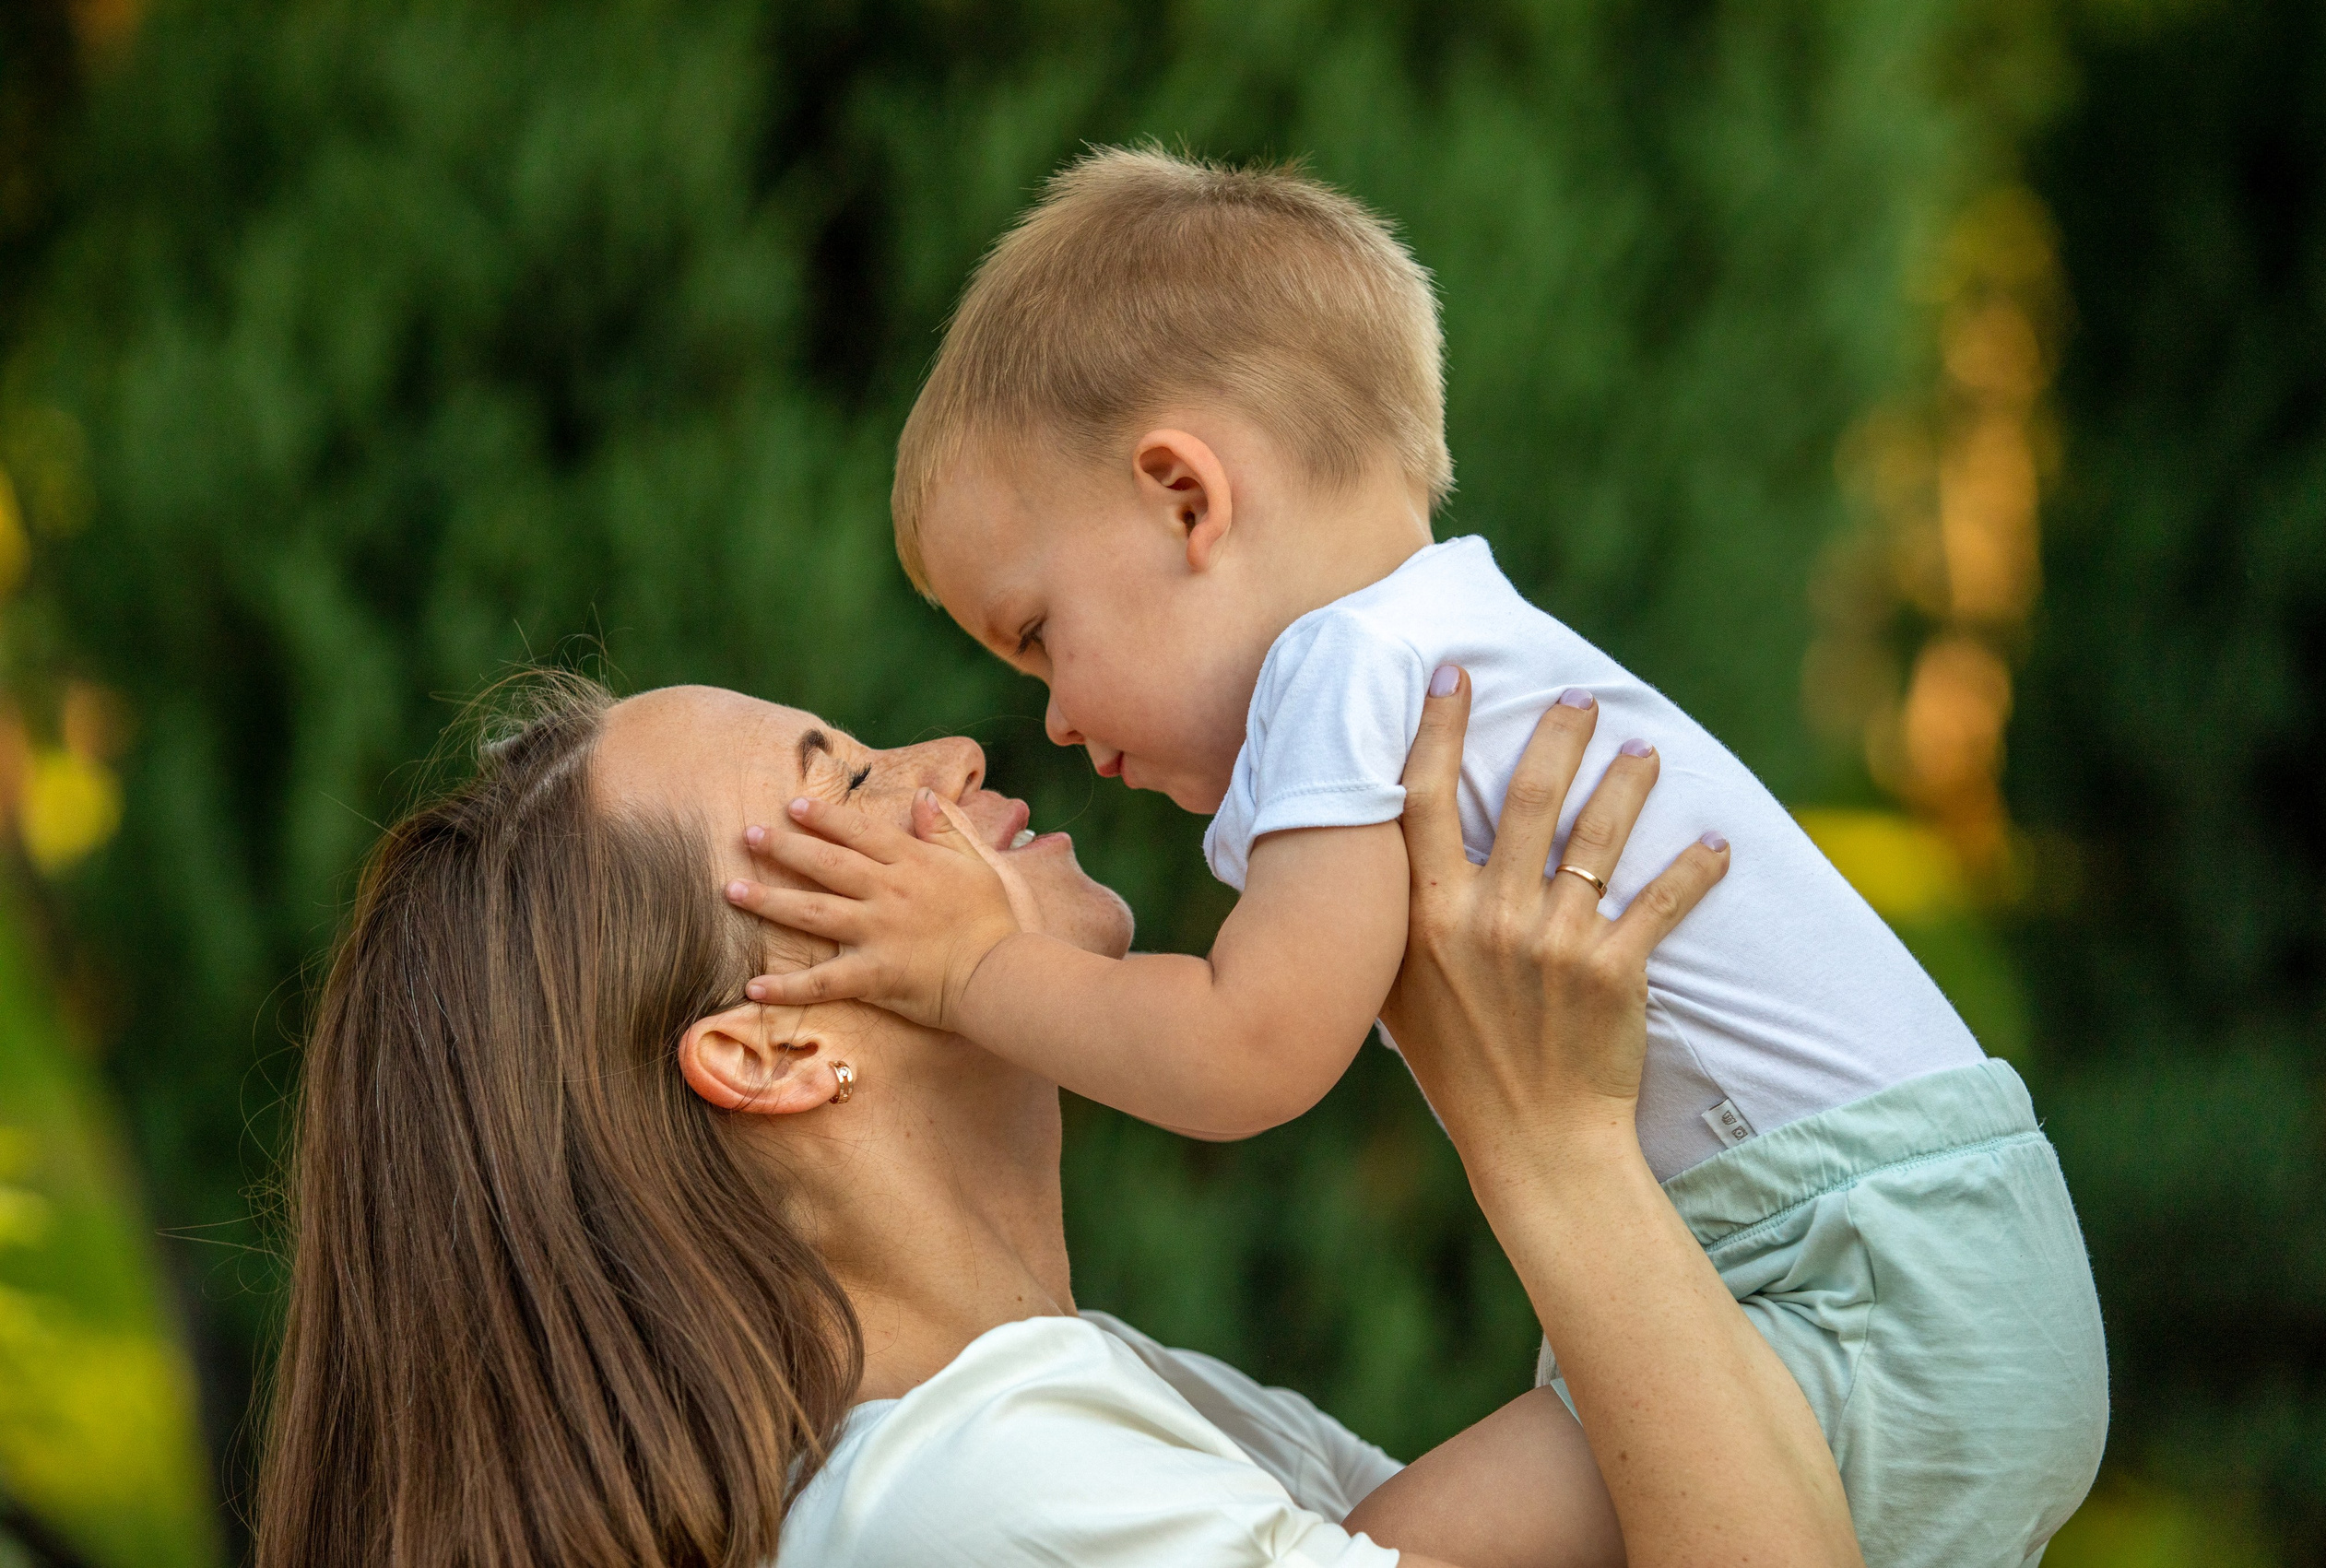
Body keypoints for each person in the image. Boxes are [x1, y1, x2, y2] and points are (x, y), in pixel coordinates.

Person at [736, 147, 2109, 1566]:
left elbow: (1246, 1052)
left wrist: (973, 968)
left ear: (1186, 500)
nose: (1057, 720)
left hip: (1856, 1279)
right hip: (1901, 1255)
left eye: (1037, 637)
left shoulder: (1350, 668)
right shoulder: (1437, 646)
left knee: (1382, 1542)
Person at [255, 667, 1858, 1568]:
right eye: (856, 783)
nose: (951, 752)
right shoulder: (977, 1502)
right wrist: (1556, 1143)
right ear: (767, 1050)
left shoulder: (1076, 1416)